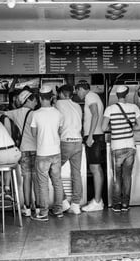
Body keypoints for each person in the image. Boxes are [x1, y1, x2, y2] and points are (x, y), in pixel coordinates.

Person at [102, 85, 140, 212]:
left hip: (117, 147)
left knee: (117, 177)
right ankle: (126, 204)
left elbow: (104, 128)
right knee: (127, 176)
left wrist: (114, 129)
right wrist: (129, 129)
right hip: (130, 146)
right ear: (126, 94)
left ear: (116, 95)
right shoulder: (134, 107)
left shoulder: (109, 109)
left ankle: (116, 204)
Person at [30, 85, 64, 222]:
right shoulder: (58, 114)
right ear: (52, 97)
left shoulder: (36, 114)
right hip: (56, 152)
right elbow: (60, 132)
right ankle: (59, 210)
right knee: (57, 182)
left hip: (42, 153)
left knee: (43, 184)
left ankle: (44, 213)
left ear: (39, 98)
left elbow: (33, 134)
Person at [3, 89, 38, 217]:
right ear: (27, 100)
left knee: (26, 178)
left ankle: (27, 208)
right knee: (36, 179)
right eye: (34, 99)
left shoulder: (15, 113)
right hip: (36, 149)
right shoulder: (36, 114)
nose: (36, 102)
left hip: (23, 149)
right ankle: (38, 208)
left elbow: (1, 114)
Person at [75, 80, 105, 212]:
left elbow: (95, 114)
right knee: (97, 168)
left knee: (95, 168)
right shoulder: (94, 96)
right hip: (96, 135)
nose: (77, 94)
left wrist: (91, 135)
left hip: (94, 136)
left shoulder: (90, 96)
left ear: (82, 89)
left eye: (77, 91)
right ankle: (98, 200)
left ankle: (97, 202)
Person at [55, 84, 83, 215]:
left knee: (53, 170)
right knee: (76, 173)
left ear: (61, 94)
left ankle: (64, 202)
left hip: (65, 142)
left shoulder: (58, 104)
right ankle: (76, 205)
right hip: (78, 141)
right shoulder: (77, 106)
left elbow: (57, 125)